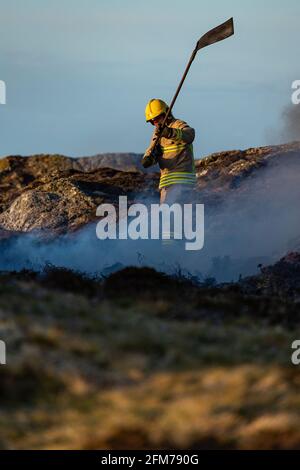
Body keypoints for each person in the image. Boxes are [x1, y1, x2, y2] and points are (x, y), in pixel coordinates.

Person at [142, 99, 196, 205]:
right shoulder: (157, 133)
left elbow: (190, 135)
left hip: (181, 182)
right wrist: (149, 158)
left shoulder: (177, 125)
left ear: (166, 113)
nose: (155, 123)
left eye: (157, 119)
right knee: (169, 218)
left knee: (171, 218)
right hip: (167, 184)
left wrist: (169, 132)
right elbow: (152, 148)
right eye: (152, 121)